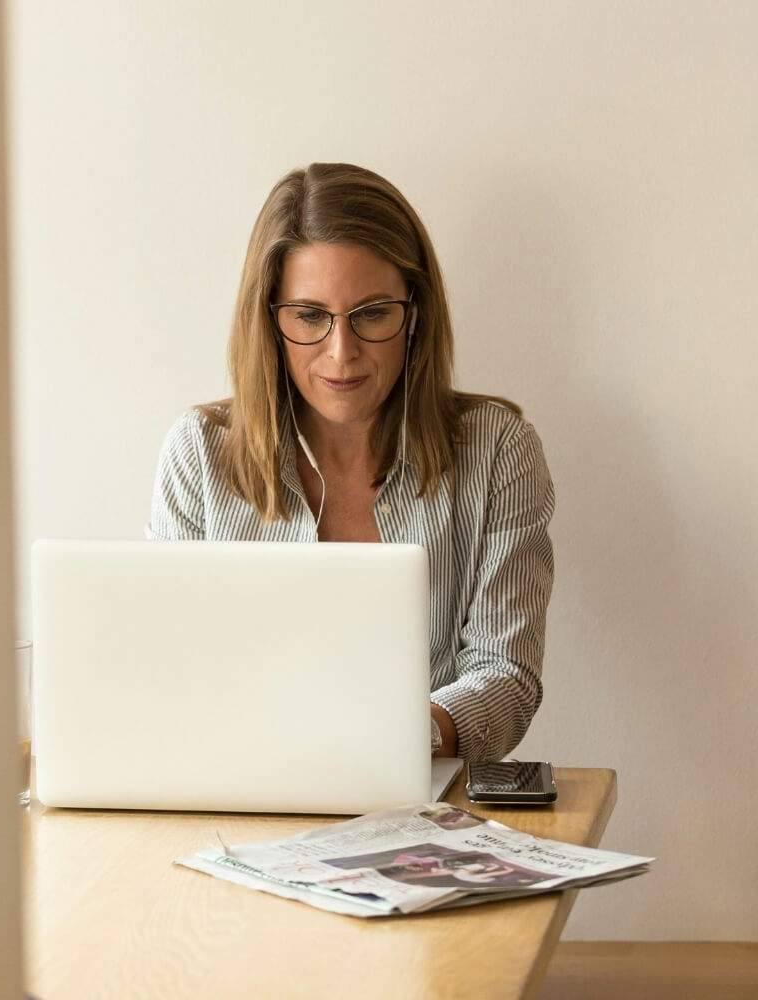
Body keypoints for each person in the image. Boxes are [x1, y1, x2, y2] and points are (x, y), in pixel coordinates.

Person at [145, 162, 554, 762]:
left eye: (371, 314)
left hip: (424, 804)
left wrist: (398, 739)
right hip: (238, 794)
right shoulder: (199, 453)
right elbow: (167, 672)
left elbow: (507, 677)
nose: (342, 353)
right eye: (310, 316)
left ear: (414, 312)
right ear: (270, 320)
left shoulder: (497, 449)